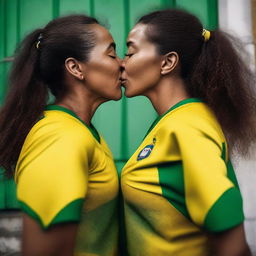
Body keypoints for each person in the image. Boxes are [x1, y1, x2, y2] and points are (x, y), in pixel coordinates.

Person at [120, 8, 256, 256]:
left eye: (130, 51)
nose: (122, 62)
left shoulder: (187, 124)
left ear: (167, 62)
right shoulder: (174, 120)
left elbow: (226, 220)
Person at [0, 14, 122, 256]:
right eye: (111, 54)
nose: (122, 63)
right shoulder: (59, 138)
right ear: (76, 68)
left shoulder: (78, 129)